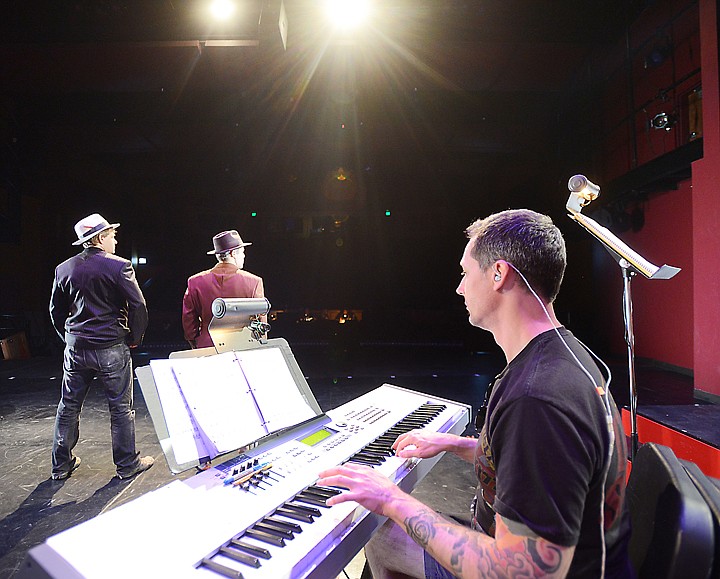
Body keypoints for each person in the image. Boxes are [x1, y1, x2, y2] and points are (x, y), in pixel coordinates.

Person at [318, 209, 634, 578]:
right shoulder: (563, 356)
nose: (460, 287)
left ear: (499, 275)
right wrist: (454, 444)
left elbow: (525, 572)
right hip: (538, 548)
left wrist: (392, 500)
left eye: (466, 273)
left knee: (381, 531)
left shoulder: (537, 398)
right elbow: (532, 461)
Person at [49, 213, 154, 481]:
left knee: (68, 406)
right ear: (100, 238)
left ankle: (61, 466)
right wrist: (136, 337)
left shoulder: (64, 269)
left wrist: (69, 337)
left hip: (76, 348)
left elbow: (55, 310)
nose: (115, 240)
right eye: (112, 235)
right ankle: (127, 465)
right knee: (120, 408)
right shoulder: (118, 266)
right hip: (111, 347)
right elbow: (138, 305)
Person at [182, 229, 265, 349]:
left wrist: (194, 341)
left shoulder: (194, 281)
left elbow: (188, 319)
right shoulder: (254, 282)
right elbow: (261, 322)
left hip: (207, 347)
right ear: (233, 254)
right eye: (242, 252)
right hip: (243, 347)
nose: (244, 255)